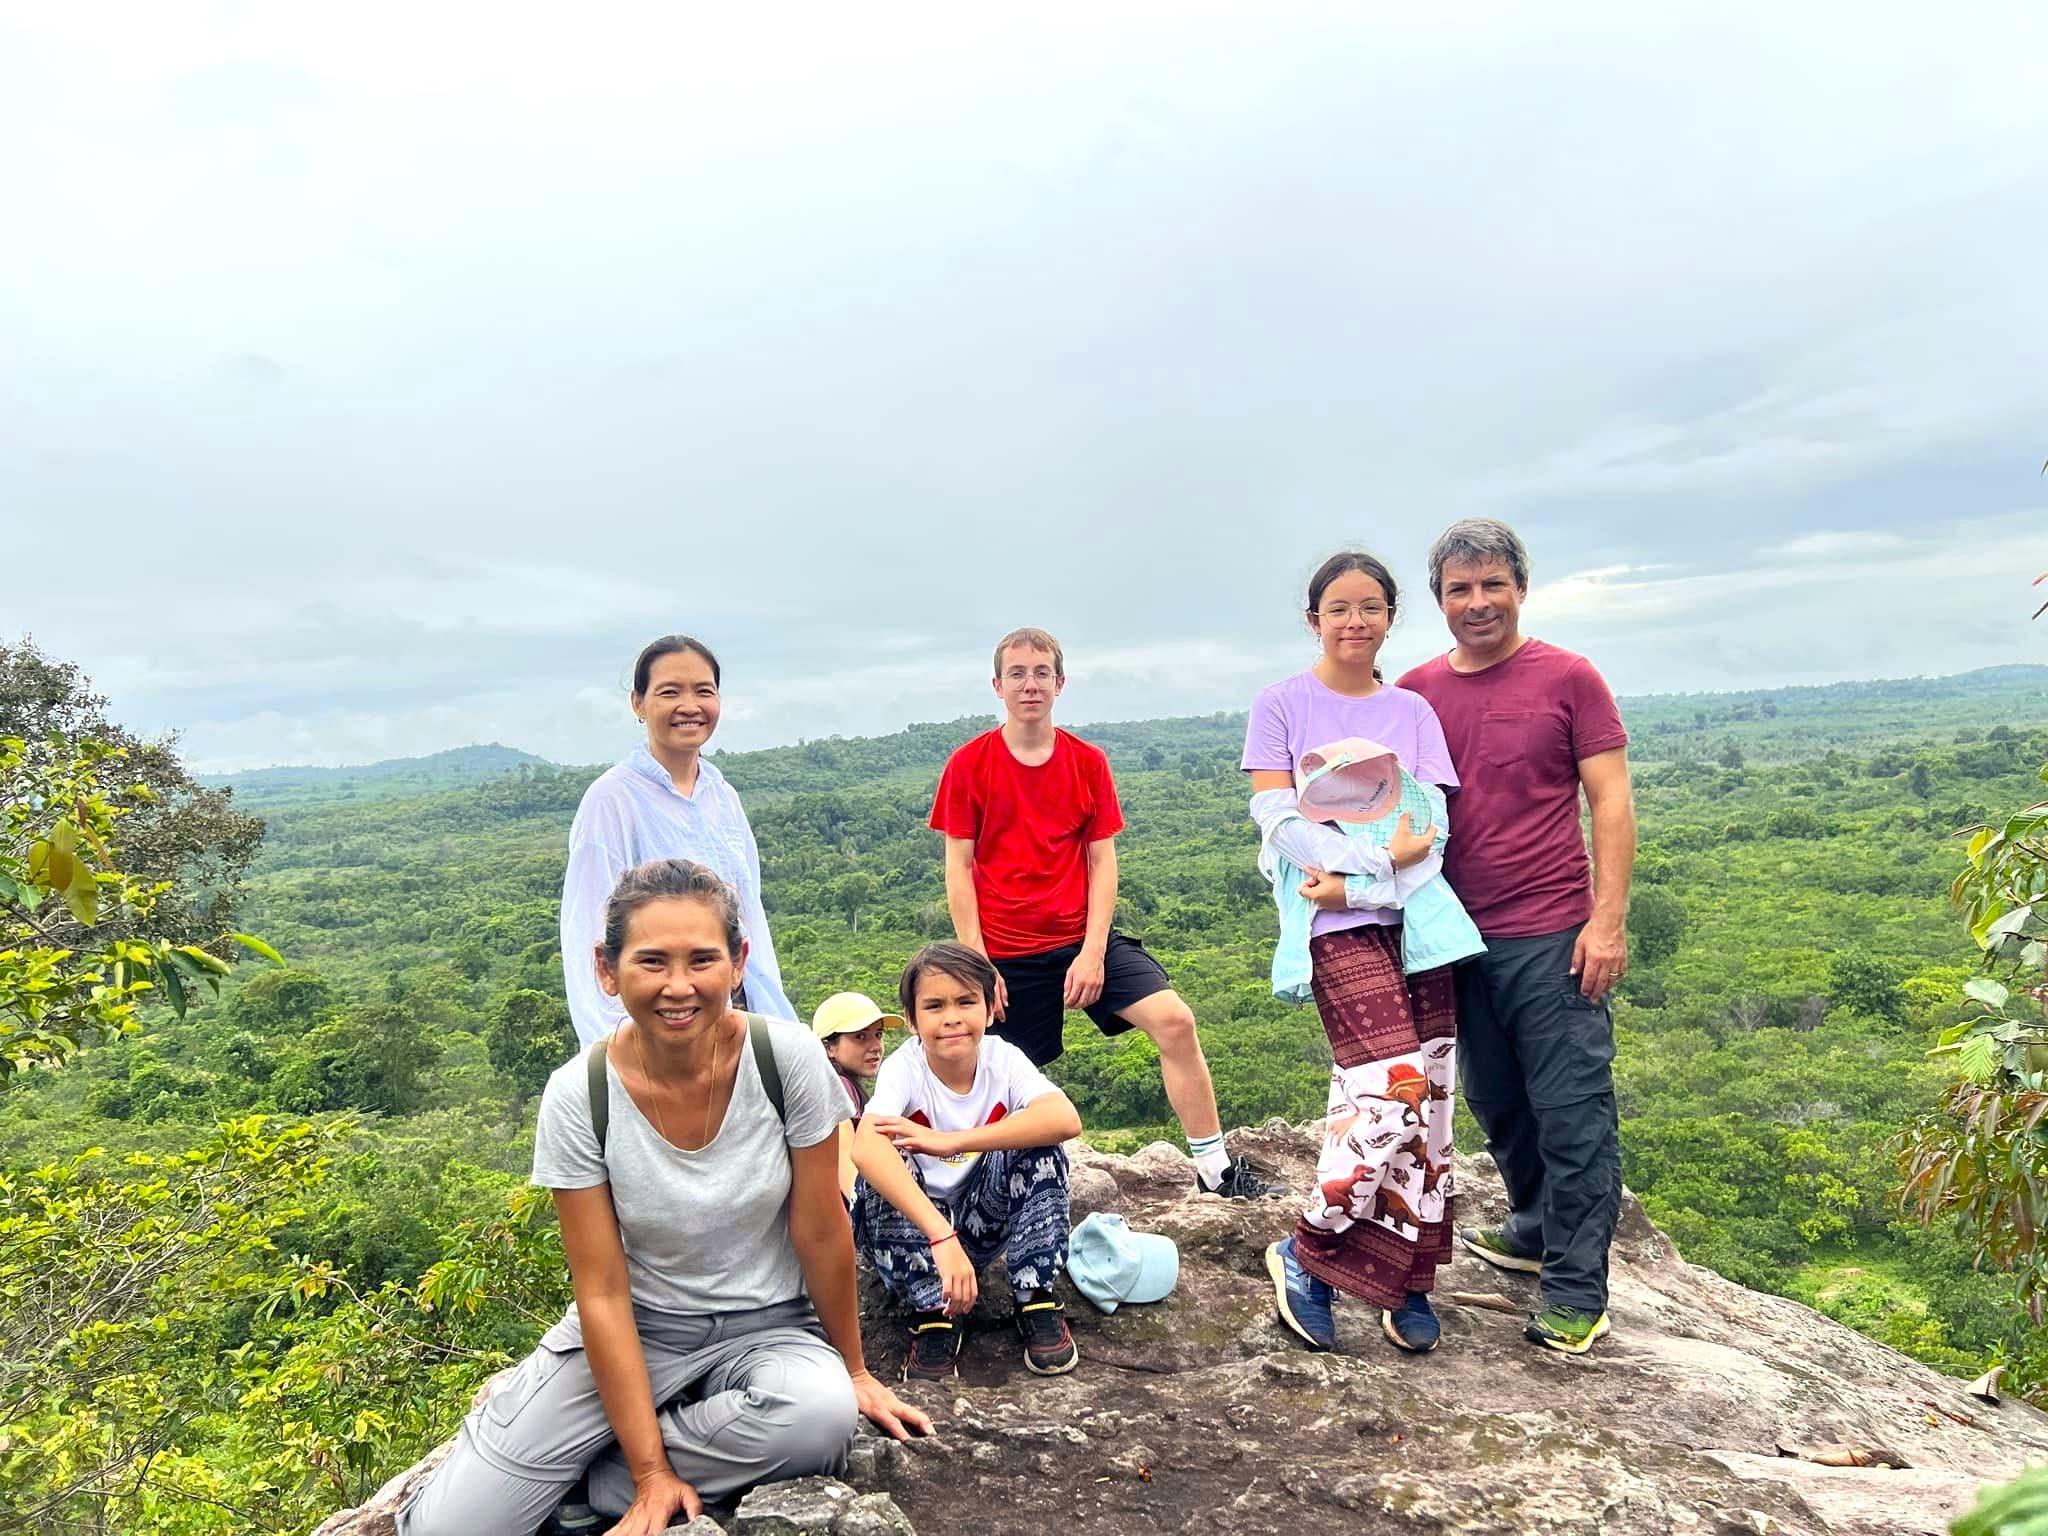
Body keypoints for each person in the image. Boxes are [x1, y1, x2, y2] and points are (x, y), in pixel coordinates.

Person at [399, 859, 929, 1536]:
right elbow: (601, 1290)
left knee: (818, 1418)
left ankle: (603, 1476)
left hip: (768, 1325)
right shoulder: (581, 1094)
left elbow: (822, 1230)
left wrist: (853, 1369)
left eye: (701, 959)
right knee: (449, 1530)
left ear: (738, 963)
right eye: (651, 961)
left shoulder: (785, 1059)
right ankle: (618, 1454)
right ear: (607, 969)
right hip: (642, 1327)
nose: (678, 986)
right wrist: (655, 1474)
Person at [1396, 517, 1635, 1355]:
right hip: (1453, 935)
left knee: (1572, 1112)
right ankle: (1534, 1229)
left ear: (1521, 590)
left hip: (1553, 930)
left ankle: (1577, 1292)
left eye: (1493, 584)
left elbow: (1609, 799)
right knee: (1497, 1099)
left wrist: (1607, 922)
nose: (1479, 602)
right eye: (1460, 589)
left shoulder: (1570, 677)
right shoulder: (1418, 690)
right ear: (1439, 602)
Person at [928, 626, 1268, 1199]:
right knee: (989, 1074)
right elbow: (958, 870)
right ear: (997, 685)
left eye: (1041, 673)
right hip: (1003, 951)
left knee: (1176, 1022)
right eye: (1017, 674)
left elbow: (1101, 863)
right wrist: (978, 967)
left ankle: (1215, 1169)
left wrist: (1092, 952)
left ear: (1059, 684)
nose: (1029, 684)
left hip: (1080, 936)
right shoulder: (969, 765)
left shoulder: (1086, 762)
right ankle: (970, 1189)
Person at [1242, 551, 1467, 1355]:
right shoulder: (1281, 704)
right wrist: (1371, 872)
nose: (1355, 621)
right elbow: (1277, 819)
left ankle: (1406, 1276)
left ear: (1389, 618)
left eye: (1371, 607)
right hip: (1331, 924)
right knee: (1388, 1086)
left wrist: (1369, 881)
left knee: (1432, 1099)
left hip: (1418, 923)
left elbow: (1429, 829)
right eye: (1338, 608)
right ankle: (1306, 1250)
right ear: (1314, 620)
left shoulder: (1411, 712)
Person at [851, 941, 1083, 1381]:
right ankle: (932, 1311)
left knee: (1038, 1144)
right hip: (919, 1239)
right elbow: (864, 1147)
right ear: (913, 1019)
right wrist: (941, 1236)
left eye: (966, 1001)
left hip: (978, 1227)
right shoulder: (906, 1069)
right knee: (885, 1155)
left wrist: (949, 1141)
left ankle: (1034, 1294)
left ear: (991, 1007)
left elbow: (1064, 1119)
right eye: (934, 1005)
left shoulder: (1004, 1060)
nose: (952, 1017)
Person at [561, 636, 795, 1048]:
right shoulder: (613, 799)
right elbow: (589, 932)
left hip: (733, 1020)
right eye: (669, 692)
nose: (690, 706)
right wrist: (614, 1049)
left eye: (704, 691)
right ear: (638, 703)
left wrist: (777, 1026)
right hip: (658, 1025)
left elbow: (750, 917)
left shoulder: (722, 796)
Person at [812, 990, 902, 1202]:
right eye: (860, 1036)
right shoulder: (837, 1088)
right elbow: (845, 1160)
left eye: (878, 1035)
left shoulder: (839, 1085)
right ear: (828, 1047)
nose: (876, 1046)